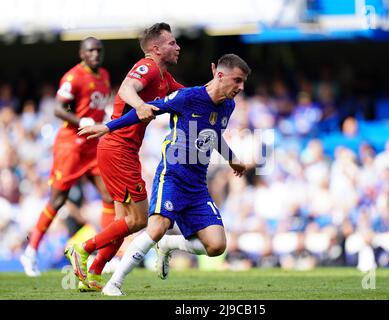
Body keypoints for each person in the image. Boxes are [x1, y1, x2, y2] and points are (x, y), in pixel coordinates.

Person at [78, 53, 250, 296]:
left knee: (216, 246)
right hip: (172, 175)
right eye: (237, 80)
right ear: (220, 75)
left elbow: (214, 135)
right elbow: (146, 109)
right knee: (157, 227)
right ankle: (114, 283)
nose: (241, 87)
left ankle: (169, 245)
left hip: (197, 186)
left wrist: (232, 159)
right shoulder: (188, 97)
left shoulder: (228, 106)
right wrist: (108, 126)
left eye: (243, 82)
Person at [64, 22, 183, 291]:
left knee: (123, 223)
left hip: (122, 150)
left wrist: (215, 90)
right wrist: (140, 104)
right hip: (118, 150)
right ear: (156, 48)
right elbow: (126, 89)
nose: (178, 47)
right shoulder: (149, 66)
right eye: (172, 43)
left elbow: (187, 94)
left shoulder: (164, 77)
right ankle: (82, 249)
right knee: (139, 220)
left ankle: (94, 272)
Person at [19, 37, 115, 280]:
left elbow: (97, 107)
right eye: (91, 50)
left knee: (108, 196)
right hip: (71, 145)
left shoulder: (103, 75)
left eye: (99, 50)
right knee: (58, 200)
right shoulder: (73, 77)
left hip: (92, 145)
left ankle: (102, 255)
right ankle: (30, 252)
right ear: (82, 54)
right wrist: (80, 120)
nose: (96, 54)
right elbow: (59, 109)